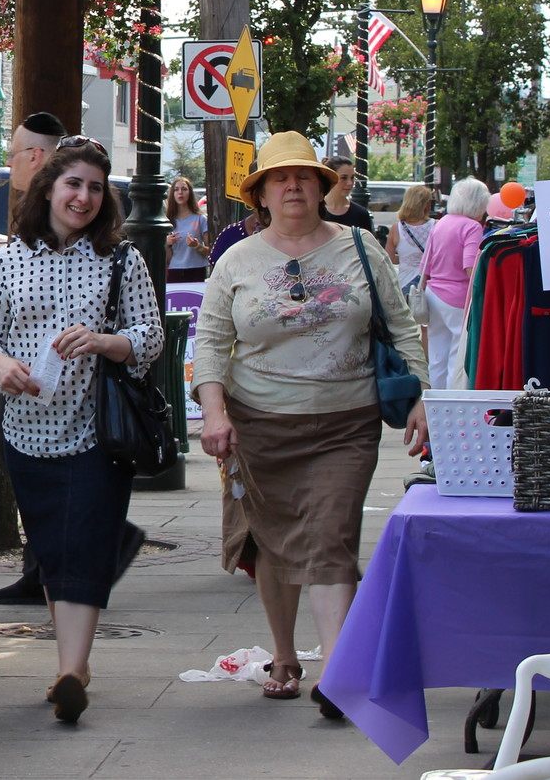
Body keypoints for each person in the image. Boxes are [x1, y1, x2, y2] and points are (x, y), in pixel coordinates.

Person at [192, 130, 428, 718]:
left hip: (345, 421)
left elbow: (400, 326)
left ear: (323, 188)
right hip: (260, 424)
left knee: (330, 535)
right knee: (272, 544)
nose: (293, 185)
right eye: (279, 177)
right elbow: (213, 343)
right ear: (262, 194)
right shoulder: (236, 260)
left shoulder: (361, 246)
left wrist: (424, 397)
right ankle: (283, 657)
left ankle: (341, 669)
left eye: (304, 176)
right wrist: (215, 412)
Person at [0, 140, 164, 725]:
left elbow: (150, 338)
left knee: (87, 545)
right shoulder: (7, 260)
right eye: (74, 184)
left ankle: (73, 672)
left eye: (96, 188)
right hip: (26, 431)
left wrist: (104, 341)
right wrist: (0, 367)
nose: (84, 197)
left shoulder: (121, 259)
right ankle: (69, 664)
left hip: (99, 431)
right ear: (48, 188)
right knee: (54, 551)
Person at [0, 111, 70, 607]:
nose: (9, 164)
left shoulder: (52, 218)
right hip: (31, 388)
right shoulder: (15, 243)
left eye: (13, 154)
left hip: (70, 386)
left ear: (35, 158)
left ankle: (62, 567)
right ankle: (41, 569)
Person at [419, 177, 488, 392]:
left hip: (433, 295)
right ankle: (453, 404)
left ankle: (433, 407)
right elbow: (471, 266)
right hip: (458, 297)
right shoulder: (472, 227)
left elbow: (425, 265)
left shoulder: (442, 222)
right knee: (457, 357)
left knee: (437, 357)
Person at [386, 184, 435, 292]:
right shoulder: (436, 226)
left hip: (404, 283)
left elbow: (389, 259)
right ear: (426, 205)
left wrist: (406, 258)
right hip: (430, 284)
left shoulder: (397, 228)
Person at [167, 175, 212, 282]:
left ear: (190, 193)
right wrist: (166, 243)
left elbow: (211, 252)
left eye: (184, 189)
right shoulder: (167, 221)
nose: (180, 192)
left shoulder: (201, 219)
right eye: (176, 189)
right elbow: (165, 258)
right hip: (174, 270)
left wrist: (197, 246)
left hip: (197, 269)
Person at [319, 155, 374, 230]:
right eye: (343, 178)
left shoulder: (360, 214)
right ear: (330, 178)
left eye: (352, 178)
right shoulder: (314, 211)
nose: (350, 183)